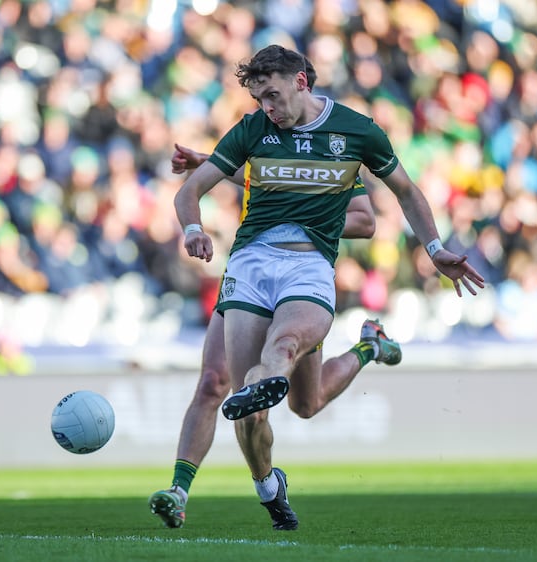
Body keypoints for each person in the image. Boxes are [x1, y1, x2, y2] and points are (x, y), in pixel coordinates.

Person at [172, 45, 485, 530]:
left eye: (272, 96)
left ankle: (303, 366)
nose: (267, 109)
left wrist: (435, 247)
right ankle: (268, 485)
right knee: (279, 409)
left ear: (301, 81)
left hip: (307, 268)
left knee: (284, 350)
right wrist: (194, 228)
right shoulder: (255, 131)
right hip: (251, 263)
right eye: (259, 100)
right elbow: (192, 189)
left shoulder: (356, 132)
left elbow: (396, 198)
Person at [149, 144, 402, 529]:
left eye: (271, 90)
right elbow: (253, 177)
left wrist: (306, 216)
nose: (268, 104)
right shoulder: (260, 140)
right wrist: (206, 162)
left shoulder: (330, 159)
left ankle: (369, 346)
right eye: (261, 92)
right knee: (213, 382)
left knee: (306, 403)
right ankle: (179, 492)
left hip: (299, 282)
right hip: (248, 273)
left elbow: (365, 222)